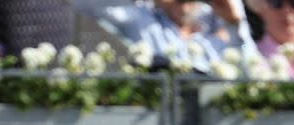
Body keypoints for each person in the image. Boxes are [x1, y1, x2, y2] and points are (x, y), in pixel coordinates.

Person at [100, 0, 256, 73]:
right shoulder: (142, 18)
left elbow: (250, 68)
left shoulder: (222, 23)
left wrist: (235, 24)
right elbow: (85, 5)